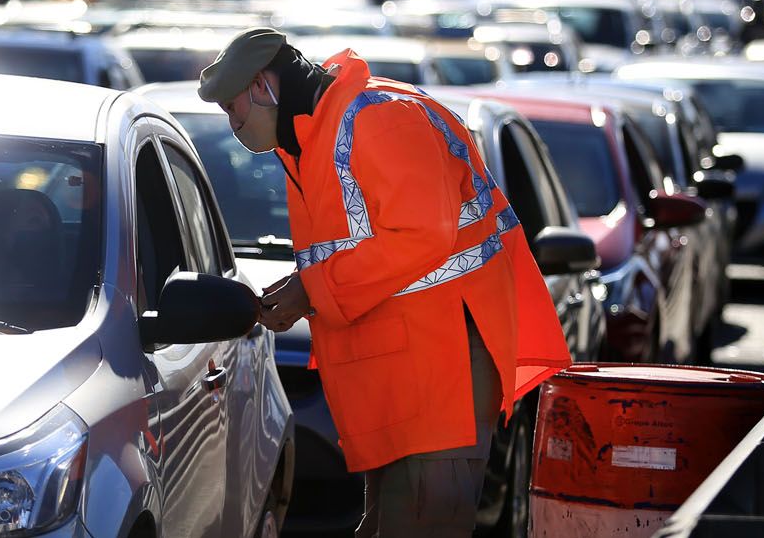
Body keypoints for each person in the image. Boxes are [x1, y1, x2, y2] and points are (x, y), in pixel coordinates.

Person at [198, 27, 571, 536]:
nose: (233, 122)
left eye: (232, 106)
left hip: (439, 371)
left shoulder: (379, 118)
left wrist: (310, 289)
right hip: (412, 372)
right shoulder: (318, 135)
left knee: (422, 522)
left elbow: (419, 237)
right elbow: (359, 251)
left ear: (264, 86)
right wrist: (304, 288)